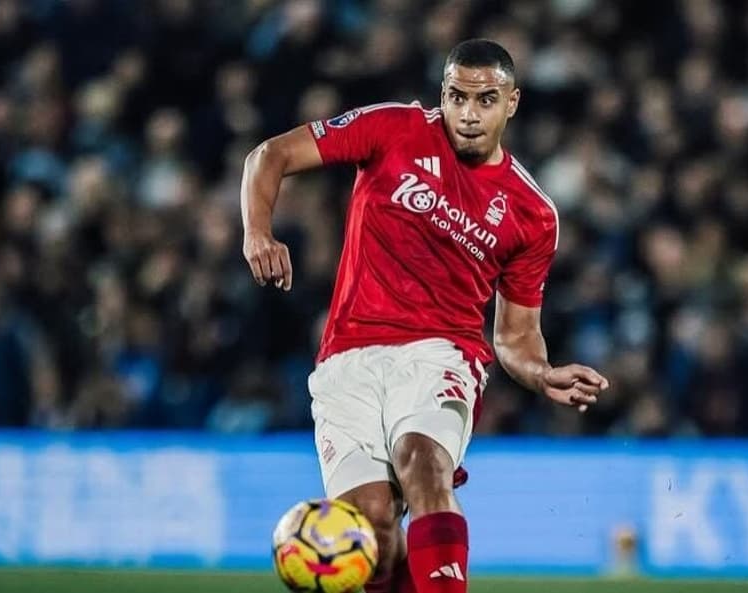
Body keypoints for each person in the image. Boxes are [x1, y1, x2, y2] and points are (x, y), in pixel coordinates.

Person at [240, 39, 609, 593]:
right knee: (375, 532)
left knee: (422, 461)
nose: (468, 113)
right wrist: (257, 232)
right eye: (458, 96)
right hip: (347, 357)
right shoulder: (394, 129)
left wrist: (541, 372)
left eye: (486, 99)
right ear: (443, 94)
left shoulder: (532, 214)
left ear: (512, 103)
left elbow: (515, 338)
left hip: (440, 353)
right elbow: (270, 155)